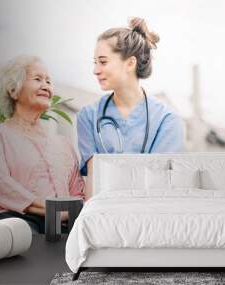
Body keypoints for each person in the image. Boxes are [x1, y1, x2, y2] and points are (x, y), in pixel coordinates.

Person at [0, 55, 85, 234]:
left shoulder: (63, 143)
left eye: (49, 81)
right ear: (13, 90)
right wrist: (53, 208)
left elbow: (78, 192)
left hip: (63, 223)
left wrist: (68, 212)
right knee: (25, 237)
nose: (46, 86)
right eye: (37, 79)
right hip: (16, 220)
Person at [77, 18, 184, 197]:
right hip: (105, 212)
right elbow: (93, 184)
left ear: (130, 63)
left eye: (103, 62)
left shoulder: (167, 120)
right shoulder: (88, 116)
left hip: (150, 213)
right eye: (94, 62)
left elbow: (161, 183)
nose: (95, 70)